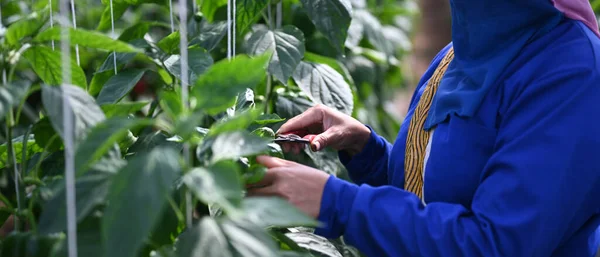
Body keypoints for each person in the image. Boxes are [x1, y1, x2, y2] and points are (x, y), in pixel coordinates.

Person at [246, 0, 600, 256]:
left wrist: (339, 203)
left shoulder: (572, 73)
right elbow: (432, 195)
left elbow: (497, 244)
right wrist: (367, 152)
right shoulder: (458, 54)